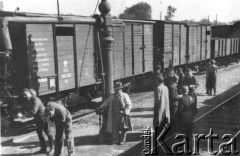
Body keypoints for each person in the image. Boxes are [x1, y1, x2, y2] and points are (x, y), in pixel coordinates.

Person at [22, 88, 54, 154]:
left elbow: (33, 111)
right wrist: (24, 114)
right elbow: (30, 110)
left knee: (48, 133)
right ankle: (43, 149)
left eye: (25, 94)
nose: (24, 96)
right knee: (39, 133)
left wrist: (24, 116)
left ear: (30, 93)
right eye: (23, 95)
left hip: (44, 118)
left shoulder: (35, 99)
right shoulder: (30, 100)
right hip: (38, 119)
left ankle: (52, 149)